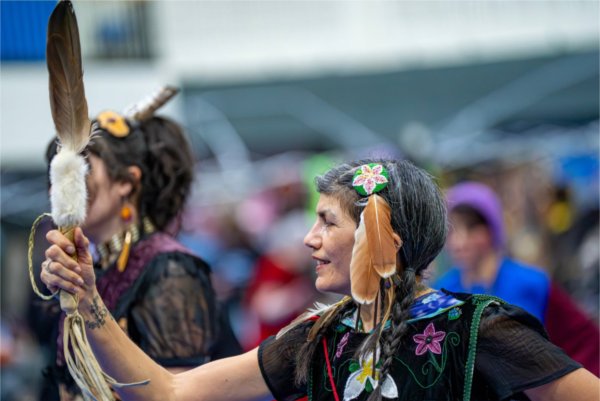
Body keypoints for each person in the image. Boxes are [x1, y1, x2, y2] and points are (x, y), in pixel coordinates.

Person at [41, 159, 598, 401]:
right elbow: (170, 390)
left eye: (327, 221)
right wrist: (89, 301)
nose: (308, 239)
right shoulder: (318, 340)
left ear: (381, 238)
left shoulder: (475, 329)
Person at [41, 88, 241, 400]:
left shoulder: (170, 269)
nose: (64, 183)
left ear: (126, 182)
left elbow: (178, 392)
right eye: (58, 170)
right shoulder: (93, 271)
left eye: (83, 167)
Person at [434, 181, 599, 375]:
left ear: (491, 228)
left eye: (471, 228)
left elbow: (584, 340)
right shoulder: (443, 293)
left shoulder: (532, 283)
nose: (458, 242)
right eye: (451, 230)